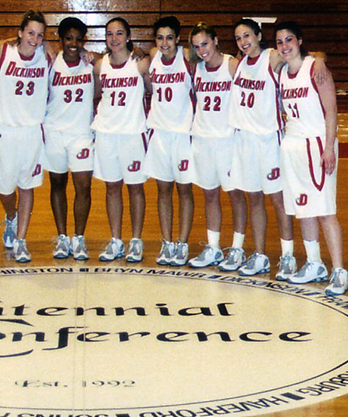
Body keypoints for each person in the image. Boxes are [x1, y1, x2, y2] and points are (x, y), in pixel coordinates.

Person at [275, 21, 348, 295]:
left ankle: (340, 271)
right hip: (292, 145)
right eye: (280, 41)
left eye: (289, 39)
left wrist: (329, 147)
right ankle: (314, 263)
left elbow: (331, 111)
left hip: (316, 144)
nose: (285, 46)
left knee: (325, 210)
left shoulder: (315, 68)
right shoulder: (281, 72)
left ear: (300, 41)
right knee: (302, 208)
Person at [223, 18, 296, 277]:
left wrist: (319, 59)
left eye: (247, 35)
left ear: (258, 34)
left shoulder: (272, 58)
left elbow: (300, 55)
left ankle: (287, 256)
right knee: (254, 198)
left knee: (277, 200)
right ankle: (260, 254)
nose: (243, 42)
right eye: (238, 38)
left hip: (268, 140)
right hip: (243, 140)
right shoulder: (237, 62)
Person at [0, 9, 52, 262]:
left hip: (32, 131)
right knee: (5, 189)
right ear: (19, 33)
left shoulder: (47, 55)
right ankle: (11, 217)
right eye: (30, 33)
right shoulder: (2, 51)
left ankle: (21, 240)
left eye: (39, 35)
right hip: (5, 128)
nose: (34, 40)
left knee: (27, 186)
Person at [187, 22, 249, 268]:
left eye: (205, 43)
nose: (202, 50)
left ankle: (237, 247)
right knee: (209, 194)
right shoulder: (196, 68)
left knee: (235, 194)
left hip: (227, 139)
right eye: (196, 46)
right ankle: (213, 247)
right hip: (203, 139)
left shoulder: (231, 65)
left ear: (215, 41)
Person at [92, 17, 152, 262]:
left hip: (132, 133)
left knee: (136, 188)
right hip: (107, 133)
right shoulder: (100, 65)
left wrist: (143, 52)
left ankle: (135, 240)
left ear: (128, 36)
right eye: (109, 34)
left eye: (119, 33)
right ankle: (116, 240)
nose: (114, 38)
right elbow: (97, 95)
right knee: (112, 187)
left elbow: (151, 89)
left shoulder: (140, 63)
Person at [43, 17, 97, 261]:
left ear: (83, 40)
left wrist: (137, 50)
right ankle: (62, 237)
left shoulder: (91, 63)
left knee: (83, 187)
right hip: (54, 131)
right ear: (61, 39)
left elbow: (124, 55)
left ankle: (79, 238)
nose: (73, 43)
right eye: (69, 38)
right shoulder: (51, 62)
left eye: (78, 39)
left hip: (82, 134)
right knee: (57, 184)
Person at [144, 16, 195, 266]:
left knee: (184, 190)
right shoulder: (153, 56)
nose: (165, 43)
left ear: (178, 39)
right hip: (159, 134)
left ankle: (182, 243)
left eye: (170, 38)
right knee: (163, 191)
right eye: (160, 37)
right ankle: (167, 242)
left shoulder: (188, 58)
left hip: (183, 134)